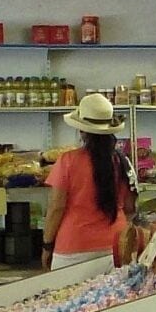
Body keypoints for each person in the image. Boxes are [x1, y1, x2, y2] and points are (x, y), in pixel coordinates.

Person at [44, 93, 136, 262]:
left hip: (73, 247)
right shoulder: (122, 161)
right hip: (116, 245)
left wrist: (47, 246)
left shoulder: (68, 161)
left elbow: (56, 208)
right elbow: (130, 207)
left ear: (81, 130)